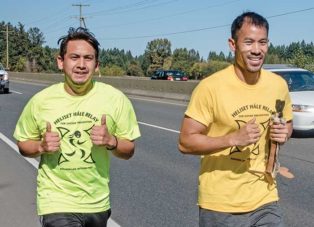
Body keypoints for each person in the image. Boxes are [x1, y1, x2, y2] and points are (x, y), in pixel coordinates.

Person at [14, 27, 141, 227]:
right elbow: (23, 144)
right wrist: (40, 146)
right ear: (60, 61)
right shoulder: (40, 101)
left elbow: (129, 150)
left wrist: (111, 141)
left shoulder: (116, 99)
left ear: (97, 65)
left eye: (88, 58)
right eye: (74, 57)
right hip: (55, 201)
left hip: (97, 202)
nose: (81, 65)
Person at [178, 12, 292, 227]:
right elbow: (185, 142)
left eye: (262, 42)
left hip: (265, 197)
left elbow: (287, 123)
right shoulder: (210, 87)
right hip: (221, 204)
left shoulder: (278, 85)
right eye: (248, 42)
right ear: (233, 44)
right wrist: (231, 139)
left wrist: (284, 133)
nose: (257, 50)